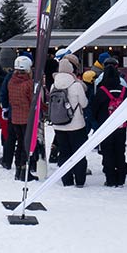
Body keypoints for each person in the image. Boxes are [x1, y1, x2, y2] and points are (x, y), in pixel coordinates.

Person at [47, 55, 90, 187]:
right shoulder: (76, 85)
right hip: (76, 126)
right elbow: (84, 104)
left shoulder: (54, 85)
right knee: (78, 153)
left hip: (59, 126)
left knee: (64, 153)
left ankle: (67, 180)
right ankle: (80, 180)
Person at [90, 59, 127, 186]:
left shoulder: (101, 91)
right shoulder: (123, 90)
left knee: (107, 153)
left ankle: (110, 179)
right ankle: (121, 178)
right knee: (120, 151)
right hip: (120, 127)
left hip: (105, 127)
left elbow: (94, 109)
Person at [0, 55, 37, 180]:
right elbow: (32, 101)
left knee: (19, 143)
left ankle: (18, 170)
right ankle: (24, 171)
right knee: (26, 146)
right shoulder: (28, 83)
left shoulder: (12, 81)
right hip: (27, 117)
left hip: (15, 117)